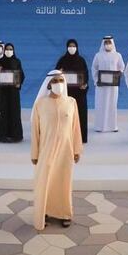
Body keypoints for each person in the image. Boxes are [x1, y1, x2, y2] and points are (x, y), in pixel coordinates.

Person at [30, 70, 83, 230]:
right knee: (45, 182)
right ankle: (44, 212)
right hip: (46, 151)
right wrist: (35, 153)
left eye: (61, 80)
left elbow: (76, 129)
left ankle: (64, 214)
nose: (59, 84)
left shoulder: (71, 102)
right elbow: (35, 131)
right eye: (55, 81)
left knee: (63, 183)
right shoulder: (40, 104)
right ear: (49, 84)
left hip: (65, 152)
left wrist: (76, 149)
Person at [55, 39, 90, 143]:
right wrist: (59, 73)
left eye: (73, 46)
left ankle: (80, 138)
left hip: (79, 94)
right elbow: (55, 75)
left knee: (80, 115)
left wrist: (84, 84)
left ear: (77, 47)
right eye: (70, 46)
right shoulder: (62, 60)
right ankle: (65, 137)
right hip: (66, 93)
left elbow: (86, 75)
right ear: (66, 47)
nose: (72, 48)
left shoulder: (81, 60)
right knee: (65, 115)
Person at [91, 36, 125, 133]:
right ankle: (99, 126)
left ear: (112, 43)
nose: (108, 44)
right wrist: (96, 80)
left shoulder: (118, 55)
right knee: (100, 104)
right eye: (106, 42)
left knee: (112, 104)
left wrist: (119, 73)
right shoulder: (98, 55)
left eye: (109, 42)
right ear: (103, 44)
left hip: (113, 86)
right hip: (101, 86)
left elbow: (122, 67)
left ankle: (112, 126)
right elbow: (94, 68)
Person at [0, 43, 24, 143]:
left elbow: (21, 75)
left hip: (13, 92)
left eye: (10, 49)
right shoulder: (0, 61)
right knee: (1, 111)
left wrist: (19, 83)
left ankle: (15, 135)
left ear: (13, 50)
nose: (8, 51)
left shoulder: (17, 61)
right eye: (7, 49)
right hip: (2, 92)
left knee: (13, 111)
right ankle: (1, 135)